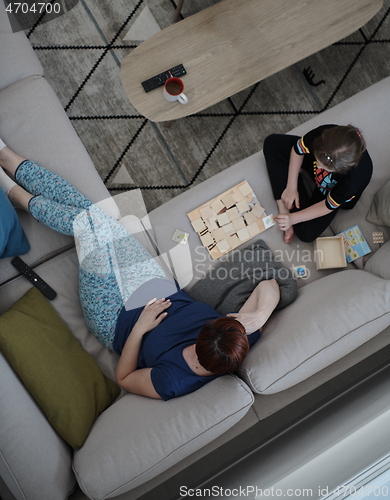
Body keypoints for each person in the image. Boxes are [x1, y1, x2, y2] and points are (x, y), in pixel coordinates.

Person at [0, 139, 281, 400]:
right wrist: (258, 315)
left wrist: (140, 328)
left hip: (113, 315)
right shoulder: (235, 338)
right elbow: (269, 285)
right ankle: (11, 168)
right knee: (94, 215)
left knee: (89, 225)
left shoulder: (173, 380)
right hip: (150, 280)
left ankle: (14, 191)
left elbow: (125, 377)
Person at [264, 124, 373, 243]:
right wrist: (291, 186)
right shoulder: (324, 135)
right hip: (324, 161)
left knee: (306, 233)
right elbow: (297, 150)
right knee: (271, 143)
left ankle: (288, 204)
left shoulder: (352, 180)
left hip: (331, 193)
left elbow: (327, 206)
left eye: (324, 167)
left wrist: (293, 218)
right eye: (318, 160)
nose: (319, 166)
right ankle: (284, 204)